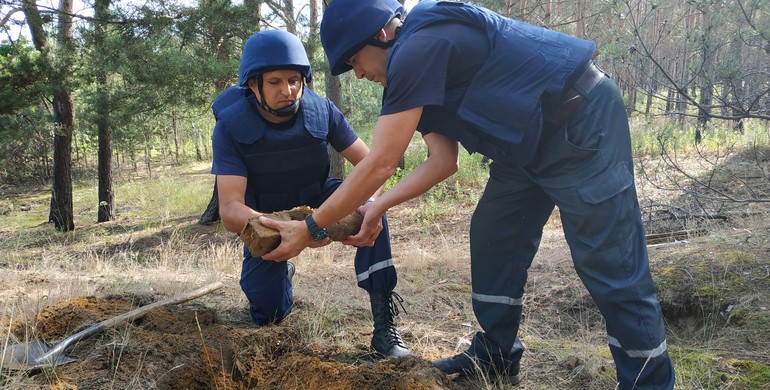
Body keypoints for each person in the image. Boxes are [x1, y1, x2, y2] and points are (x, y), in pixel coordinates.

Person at [259, 0, 677, 388]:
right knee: (494, 234)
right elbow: (443, 161)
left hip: (580, 121)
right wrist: (377, 206)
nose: (360, 74)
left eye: (355, 60)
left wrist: (314, 226)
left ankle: (648, 380)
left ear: (382, 35)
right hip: (524, 146)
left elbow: (382, 161)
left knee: (608, 259)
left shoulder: (421, 45)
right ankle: (495, 357)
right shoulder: (411, 73)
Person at [210, 29, 410, 358]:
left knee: (373, 209)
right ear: (253, 84)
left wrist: (366, 207)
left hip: (320, 197)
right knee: (269, 315)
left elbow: (372, 166)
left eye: (294, 79)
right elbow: (231, 209)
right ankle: (280, 279)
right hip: (266, 217)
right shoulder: (230, 126)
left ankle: (384, 328)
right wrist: (290, 229)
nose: (288, 90)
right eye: (275, 81)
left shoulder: (321, 110)